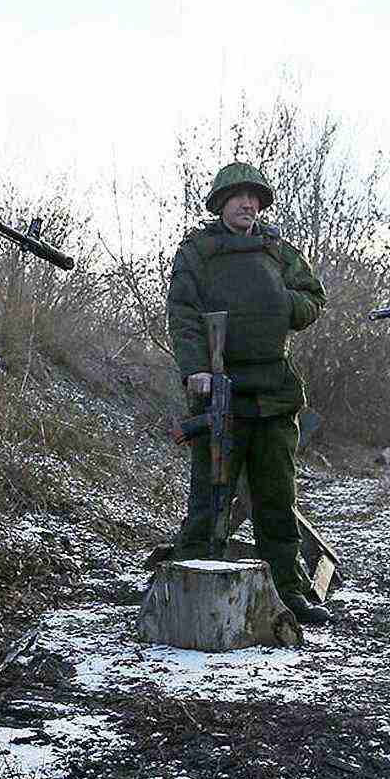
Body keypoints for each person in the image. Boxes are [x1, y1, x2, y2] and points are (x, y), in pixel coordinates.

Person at [165, 163, 333, 627]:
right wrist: (195, 369)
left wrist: (282, 303)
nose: (247, 204)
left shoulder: (278, 251)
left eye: (254, 197)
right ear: (220, 203)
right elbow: (182, 313)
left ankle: (287, 591)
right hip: (220, 392)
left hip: (274, 395)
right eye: (238, 196)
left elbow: (313, 299)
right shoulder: (198, 252)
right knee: (209, 500)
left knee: (277, 500)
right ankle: (189, 589)